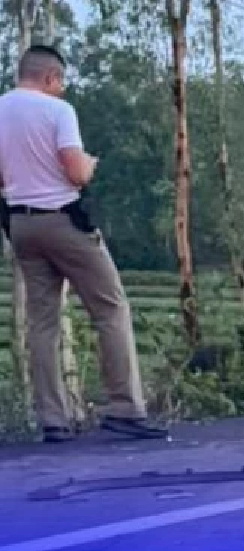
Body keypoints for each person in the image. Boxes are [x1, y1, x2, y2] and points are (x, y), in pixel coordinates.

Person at [0, 45, 166, 442]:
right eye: (60, 83)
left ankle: (52, 419)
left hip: (20, 224)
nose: (61, 89)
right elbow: (75, 173)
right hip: (64, 222)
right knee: (111, 307)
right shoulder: (59, 111)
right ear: (51, 78)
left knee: (42, 322)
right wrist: (89, 164)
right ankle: (125, 406)